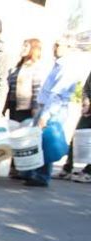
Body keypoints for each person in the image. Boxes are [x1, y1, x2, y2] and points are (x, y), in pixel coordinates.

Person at [24, 38, 81, 187]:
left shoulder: (66, 67)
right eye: (55, 45)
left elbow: (57, 94)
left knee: (46, 142)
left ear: (68, 47)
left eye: (59, 45)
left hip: (54, 109)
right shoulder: (57, 65)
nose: (55, 48)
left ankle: (42, 176)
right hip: (46, 106)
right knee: (39, 141)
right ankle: (34, 172)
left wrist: (46, 114)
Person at [58, 70, 91, 183]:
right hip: (88, 110)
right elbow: (86, 88)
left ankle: (88, 172)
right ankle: (67, 168)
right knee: (77, 138)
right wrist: (86, 101)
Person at [6, 39, 42, 124]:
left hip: (25, 110)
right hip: (13, 107)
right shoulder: (17, 68)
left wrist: (35, 109)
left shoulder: (35, 67)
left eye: (26, 46)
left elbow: (36, 90)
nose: (23, 48)